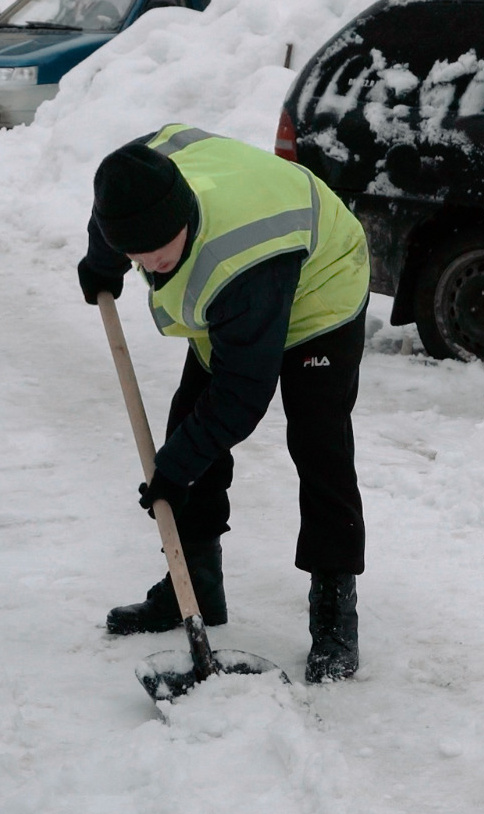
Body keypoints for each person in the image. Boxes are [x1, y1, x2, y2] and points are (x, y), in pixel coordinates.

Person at [79, 123, 371, 683]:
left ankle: (334, 612)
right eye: (134, 256)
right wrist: (104, 262)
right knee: (191, 421)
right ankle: (195, 588)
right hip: (238, 300)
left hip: (320, 290)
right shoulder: (143, 178)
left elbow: (241, 396)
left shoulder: (242, 261)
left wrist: (173, 472)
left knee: (318, 444)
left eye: (158, 257)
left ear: (184, 217)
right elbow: (109, 209)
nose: (150, 267)